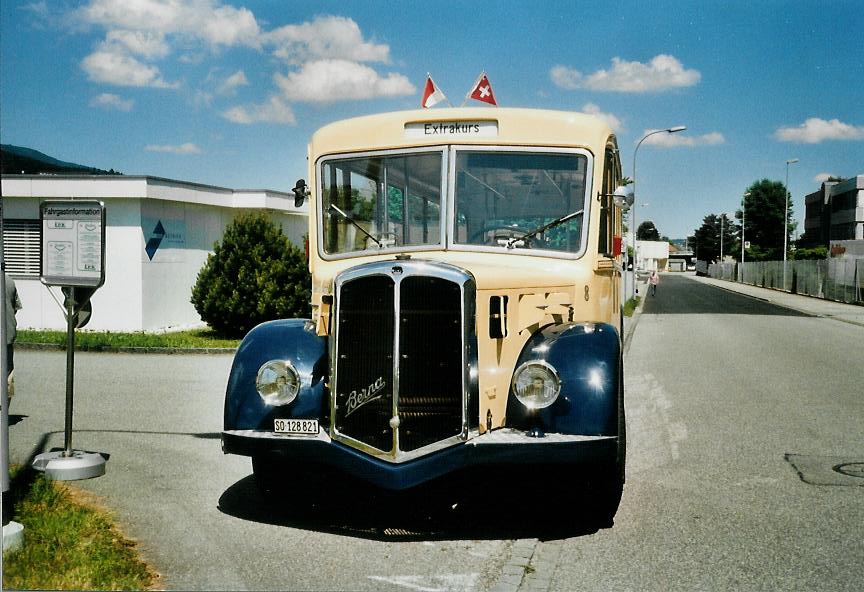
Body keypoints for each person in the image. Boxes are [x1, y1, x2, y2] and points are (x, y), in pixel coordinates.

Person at [5, 273, 22, 401]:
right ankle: (5, 412)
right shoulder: (9, 281)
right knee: (8, 373)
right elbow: (15, 307)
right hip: (7, 334)